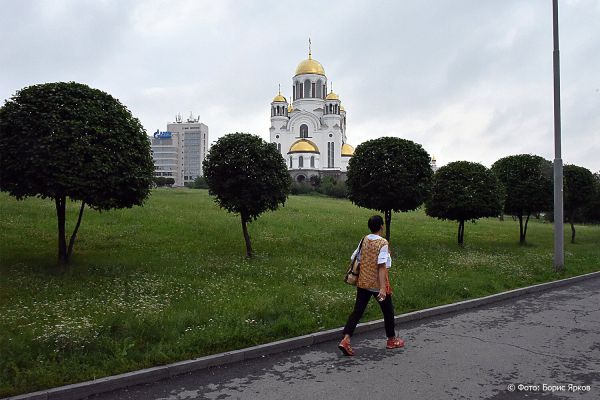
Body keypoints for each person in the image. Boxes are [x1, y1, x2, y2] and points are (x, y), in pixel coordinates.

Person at [338, 215, 405, 356]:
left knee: (358, 311)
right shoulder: (383, 243)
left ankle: (346, 339)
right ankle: (391, 340)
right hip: (377, 284)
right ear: (381, 226)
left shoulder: (364, 239)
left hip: (363, 282)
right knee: (388, 311)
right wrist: (382, 288)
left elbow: (354, 257)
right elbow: (382, 267)